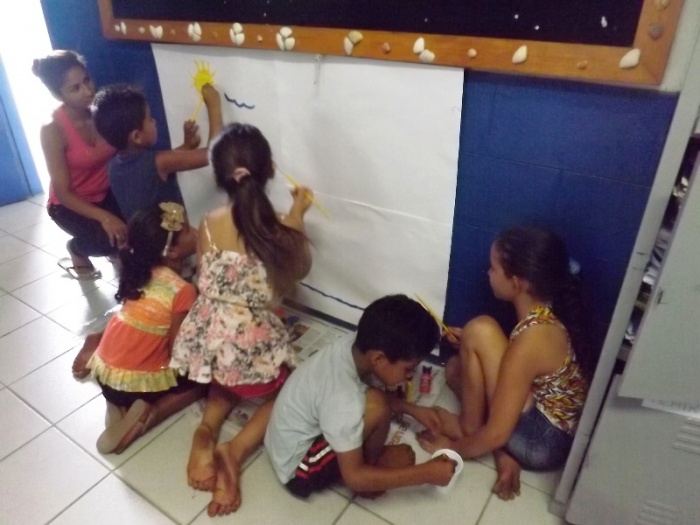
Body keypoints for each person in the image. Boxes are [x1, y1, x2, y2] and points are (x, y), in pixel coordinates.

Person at [168, 123, 313, 515]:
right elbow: (299, 269)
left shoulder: (207, 222)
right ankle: (234, 450)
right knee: (286, 389)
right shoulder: (281, 227)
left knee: (228, 379)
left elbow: (206, 276)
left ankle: (205, 430)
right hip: (248, 344)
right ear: (271, 168)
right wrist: (298, 213)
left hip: (209, 343)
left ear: (220, 178)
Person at [416, 226, 590, 501]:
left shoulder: (532, 339)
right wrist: (470, 344)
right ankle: (490, 441)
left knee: (480, 329)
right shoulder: (543, 314)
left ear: (517, 283)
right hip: (548, 426)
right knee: (455, 368)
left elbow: (497, 434)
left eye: (493, 268)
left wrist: (451, 448)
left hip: (543, 442)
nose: (488, 273)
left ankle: (469, 429)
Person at [260, 295, 456, 509]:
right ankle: (372, 468)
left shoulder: (355, 345)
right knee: (378, 406)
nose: (410, 377)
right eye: (408, 369)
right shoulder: (344, 401)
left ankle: (369, 464)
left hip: (289, 439)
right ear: (378, 359)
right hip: (299, 469)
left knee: (376, 400)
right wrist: (426, 473)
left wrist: (411, 409)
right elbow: (354, 479)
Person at [86, 202, 207, 454]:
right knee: (202, 383)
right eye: (187, 231)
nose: (195, 231)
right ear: (171, 252)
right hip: (136, 383)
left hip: (104, 372)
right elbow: (178, 351)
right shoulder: (183, 290)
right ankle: (151, 415)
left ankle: (116, 405)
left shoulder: (139, 271)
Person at [33, 50, 126, 280]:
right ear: (58, 94)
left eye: (87, 80)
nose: (87, 91)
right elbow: (63, 193)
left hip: (106, 194)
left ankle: (113, 249)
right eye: (75, 88)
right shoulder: (52, 129)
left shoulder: (101, 111)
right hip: (69, 205)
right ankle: (76, 249)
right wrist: (105, 217)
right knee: (107, 240)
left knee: (136, 226)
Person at [92, 82, 223, 222]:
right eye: (149, 119)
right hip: (173, 235)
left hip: (144, 235)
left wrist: (186, 146)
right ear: (136, 136)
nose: (154, 122)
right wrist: (213, 105)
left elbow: (159, 167)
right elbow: (214, 153)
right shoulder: (157, 162)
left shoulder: (113, 168)